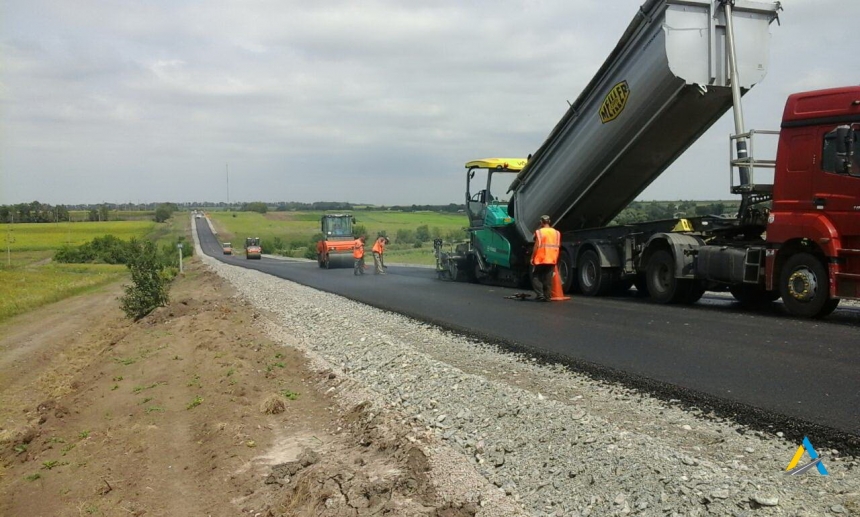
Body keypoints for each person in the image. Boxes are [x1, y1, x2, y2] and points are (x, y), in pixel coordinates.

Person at [531, 215, 561, 301]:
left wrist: (532, 257)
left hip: (541, 258)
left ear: (541, 222)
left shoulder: (540, 232)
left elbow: (536, 245)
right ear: (549, 221)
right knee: (548, 277)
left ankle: (540, 294)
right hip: (552, 258)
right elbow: (558, 245)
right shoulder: (557, 233)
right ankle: (547, 296)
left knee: (535, 276)